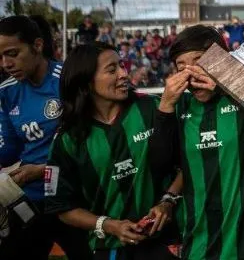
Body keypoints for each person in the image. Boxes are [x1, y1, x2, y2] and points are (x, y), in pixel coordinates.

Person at [150, 25, 244, 260]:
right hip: (200, 245)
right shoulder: (180, 107)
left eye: (199, 61)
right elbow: (159, 166)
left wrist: (229, 84)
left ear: (223, 60)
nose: (191, 74)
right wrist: (165, 107)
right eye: (181, 67)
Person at [45, 43, 178, 260]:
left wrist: (168, 201)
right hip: (109, 249)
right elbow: (62, 207)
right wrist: (109, 225)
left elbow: (187, 161)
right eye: (112, 69)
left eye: (122, 65)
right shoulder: (67, 139)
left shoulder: (153, 108)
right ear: (86, 81)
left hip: (166, 242)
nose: (124, 74)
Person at [0, 15, 91, 259]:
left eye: (12, 53)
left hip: (75, 197)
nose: (6, 64)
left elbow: (93, 144)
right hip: (32, 199)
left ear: (37, 46)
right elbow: (8, 150)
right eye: (0, 57)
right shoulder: (6, 92)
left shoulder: (68, 80)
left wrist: (43, 170)